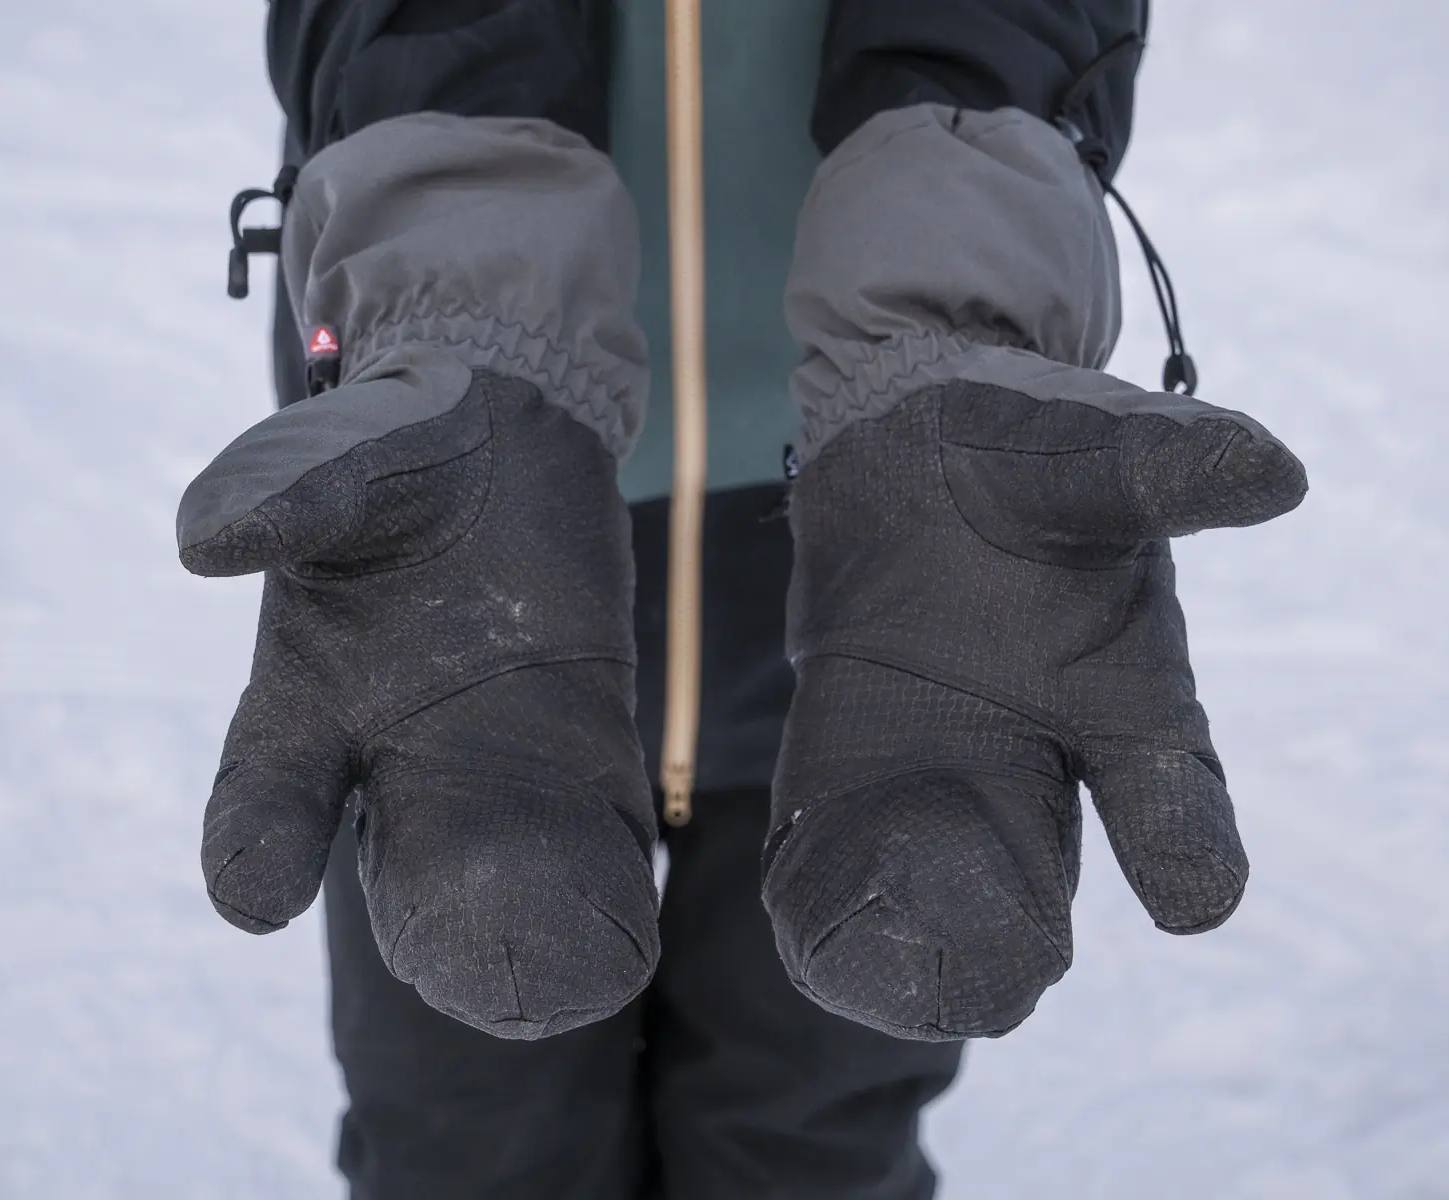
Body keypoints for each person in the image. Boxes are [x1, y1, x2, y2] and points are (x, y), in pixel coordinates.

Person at [180, 1, 1307, 1195]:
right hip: (461, 547)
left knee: (813, 1140)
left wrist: (956, 325)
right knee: (465, 1141)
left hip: (894, 544)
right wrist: (460, 330)